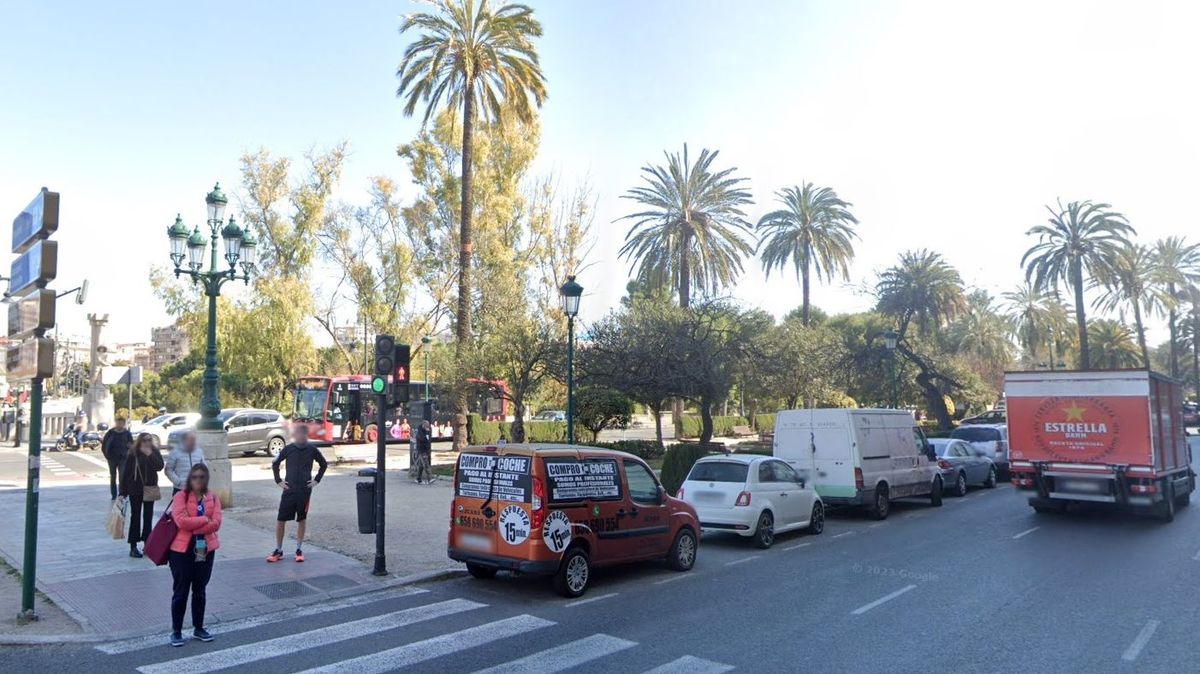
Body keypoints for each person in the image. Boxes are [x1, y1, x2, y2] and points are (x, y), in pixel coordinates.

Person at [167, 464, 221, 647]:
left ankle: (199, 627)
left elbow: (216, 524)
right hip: (182, 551)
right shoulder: (180, 496)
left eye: (202, 477)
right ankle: (176, 631)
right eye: (195, 476)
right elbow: (181, 521)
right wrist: (204, 519)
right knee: (181, 591)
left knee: (200, 590)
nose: (198, 480)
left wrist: (197, 524)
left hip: (204, 548)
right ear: (190, 478)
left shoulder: (212, 497)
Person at [268, 423, 327, 563]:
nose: (300, 436)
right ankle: (279, 549)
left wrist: (316, 480)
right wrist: (278, 481)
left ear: (306, 435)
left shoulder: (312, 449)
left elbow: (323, 464)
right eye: (298, 434)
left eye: (303, 434)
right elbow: (275, 463)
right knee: (281, 519)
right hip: (289, 490)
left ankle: (299, 549)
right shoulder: (289, 449)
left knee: (301, 519)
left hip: (304, 491)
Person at [120, 432, 164, 557]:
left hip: (150, 488)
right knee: (135, 517)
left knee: (148, 517)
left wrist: (150, 455)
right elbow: (126, 473)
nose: (147, 442)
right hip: (135, 489)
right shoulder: (133, 454)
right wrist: (123, 491)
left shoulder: (154, 451)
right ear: (139, 441)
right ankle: (133, 546)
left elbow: (160, 466)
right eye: (144, 440)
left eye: (149, 440)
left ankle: (147, 543)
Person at [102, 417, 134, 500]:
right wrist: (107, 455)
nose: (119, 424)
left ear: (124, 424)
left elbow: (131, 445)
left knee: (122, 476)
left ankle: (122, 493)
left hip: (123, 458)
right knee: (113, 476)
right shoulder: (110, 433)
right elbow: (104, 444)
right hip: (112, 458)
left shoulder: (127, 433)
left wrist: (129, 451)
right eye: (118, 422)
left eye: (121, 423)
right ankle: (113, 494)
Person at [164, 431, 206, 496]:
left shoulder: (199, 451)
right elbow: (168, 470)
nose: (193, 441)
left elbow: (204, 467)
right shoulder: (175, 452)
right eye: (190, 439)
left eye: (194, 439)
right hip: (180, 488)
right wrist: (178, 481)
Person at [415, 420, 433, 484]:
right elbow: (422, 439)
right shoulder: (420, 432)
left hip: (425, 449)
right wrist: (426, 433)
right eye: (426, 426)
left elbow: (428, 440)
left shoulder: (426, 431)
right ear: (423, 425)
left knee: (421, 465)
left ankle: (418, 479)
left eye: (428, 426)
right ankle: (429, 478)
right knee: (426, 464)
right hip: (421, 450)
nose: (427, 427)